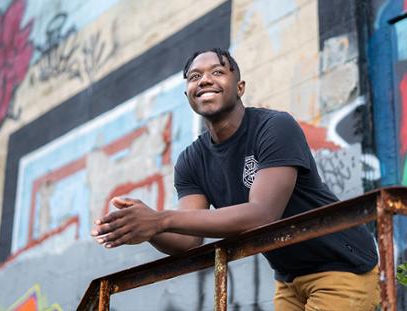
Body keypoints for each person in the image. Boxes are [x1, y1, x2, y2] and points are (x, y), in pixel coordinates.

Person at [91, 48, 380, 310]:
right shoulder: (192, 161)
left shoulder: (275, 127)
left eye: (217, 72)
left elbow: (263, 215)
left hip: (343, 267)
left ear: (240, 87)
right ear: (188, 95)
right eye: (194, 76)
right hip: (290, 280)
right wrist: (144, 228)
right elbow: (188, 239)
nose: (204, 80)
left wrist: (160, 219)